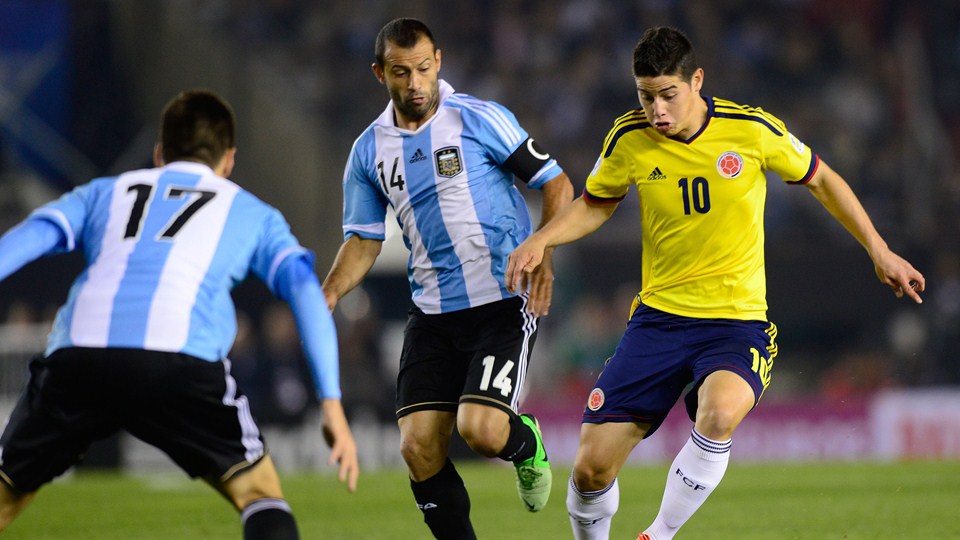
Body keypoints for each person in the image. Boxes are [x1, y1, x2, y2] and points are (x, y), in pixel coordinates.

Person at [505, 26, 925, 540]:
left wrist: (878, 249)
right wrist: (543, 239)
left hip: (735, 321)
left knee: (720, 411)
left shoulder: (750, 130)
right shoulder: (628, 137)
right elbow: (596, 204)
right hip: (658, 321)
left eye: (668, 95)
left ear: (696, 80)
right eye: (645, 96)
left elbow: (820, 178)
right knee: (591, 470)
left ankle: (656, 535)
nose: (657, 110)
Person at [0, 89, 359, 539]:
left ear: (158, 155)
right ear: (229, 160)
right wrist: (330, 399)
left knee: (7, 496)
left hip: (78, 354)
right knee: (259, 493)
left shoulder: (105, 192)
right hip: (177, 359)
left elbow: (31, 236)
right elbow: (305, 289)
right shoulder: (250, 211)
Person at [321, 17, 574, 540]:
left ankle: (523, 442)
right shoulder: (368, 151)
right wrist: (326, 294)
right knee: (417, 447)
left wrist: (543, 248)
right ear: (380, 73)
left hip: (502, 300)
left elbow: (556, 184)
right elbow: (365, 238)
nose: (414, 83)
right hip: (432, 312)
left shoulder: (478, 119)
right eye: (400, 72)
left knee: (480, 431)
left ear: (438, 63)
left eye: (422, 68)